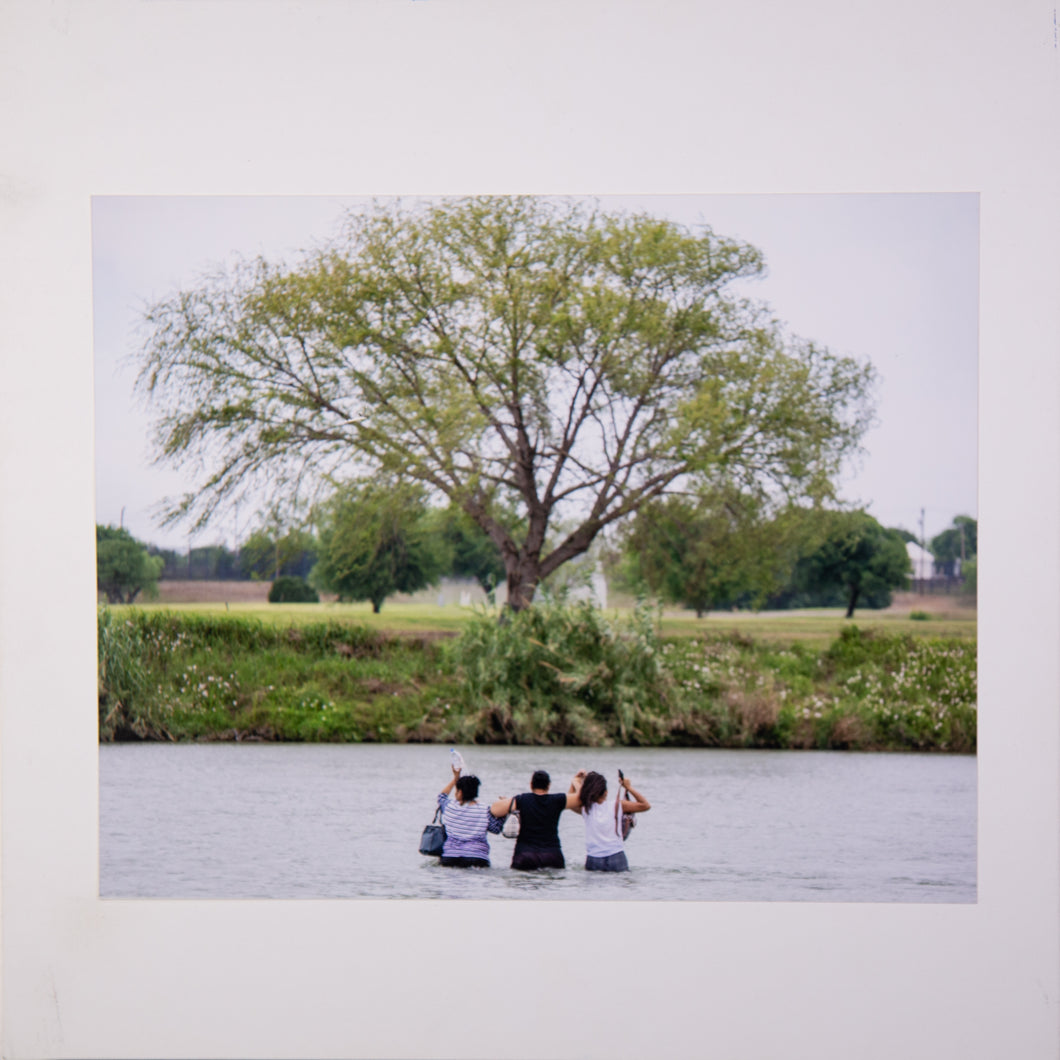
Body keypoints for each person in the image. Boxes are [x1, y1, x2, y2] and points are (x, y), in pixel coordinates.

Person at [490, 769, 583, 870]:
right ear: (549, 785)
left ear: (531, 784)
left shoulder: (522, 800)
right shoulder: (558, 800)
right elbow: (581, 798)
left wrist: (509, 802)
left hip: (525, 856)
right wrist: (576, 782)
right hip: (552, 856)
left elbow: (494, 810)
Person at [570, 770, 650, 872]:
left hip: (594, 859)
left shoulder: (586, 808)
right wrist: (628, 787)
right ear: (606, 792)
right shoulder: (618, 805)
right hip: (616, 857)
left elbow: (570, 799)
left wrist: (575, 781)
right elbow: (645, 805)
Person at [437, 764, 503, 868]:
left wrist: (455, 778)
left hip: (450, 857)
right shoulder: (485, 809)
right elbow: (496, 829)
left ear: (460, 792)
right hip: (477, 858)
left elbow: (441, 796)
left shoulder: (449, 806)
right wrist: (503, 814)